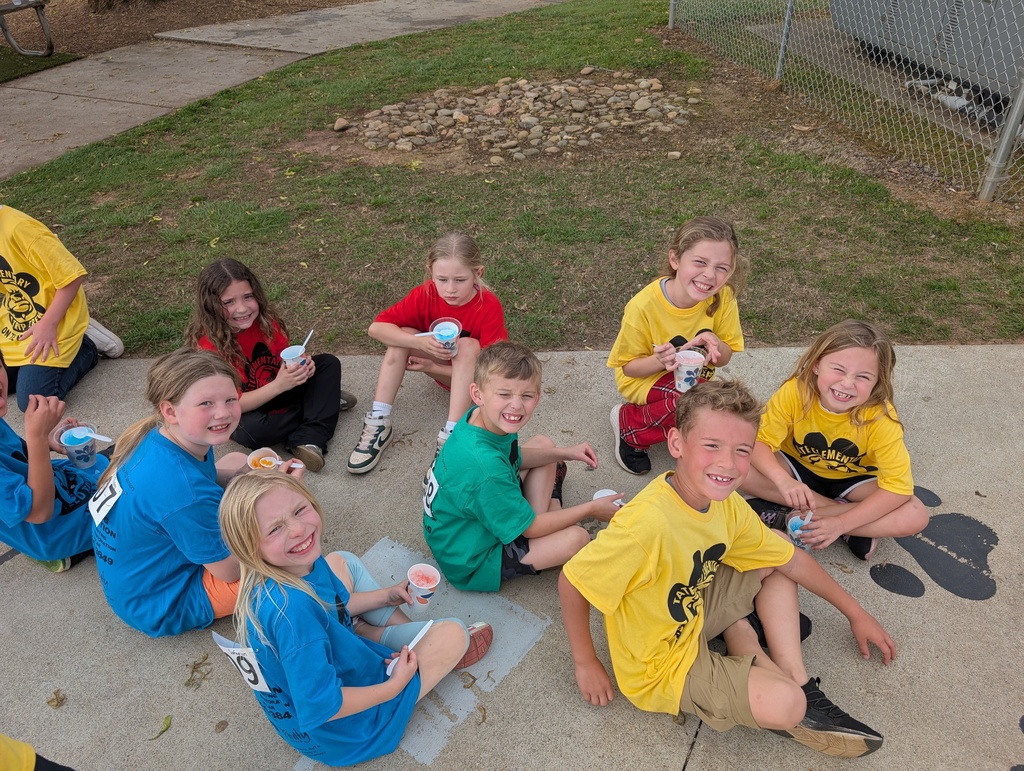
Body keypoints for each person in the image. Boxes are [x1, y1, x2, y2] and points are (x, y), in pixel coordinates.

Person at [560, 379, 897, 759]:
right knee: (788, 706)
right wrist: (585, 661)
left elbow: (789, 559)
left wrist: (856, 613)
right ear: (676, 444)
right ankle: (749, 644)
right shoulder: (645, 527)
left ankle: (795, 676)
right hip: (661, 664)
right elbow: (573, 580)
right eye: (712, 446)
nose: (727, 463)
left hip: (694, 607)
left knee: (777, 545)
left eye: (741, 450)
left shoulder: (723, 501)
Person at [218, 471, 493, 767]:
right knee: (454, 634)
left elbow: (332, 608)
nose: (298, 529)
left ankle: (376, 635)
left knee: (342, 560)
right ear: (250, 547)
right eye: (275, 529)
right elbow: (323, 706)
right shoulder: (294, 614)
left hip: (307, 708)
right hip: (349, 732)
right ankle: (399, 644)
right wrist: (394, 686)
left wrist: (386, 596)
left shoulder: (291, 568)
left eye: (299, 510)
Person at [90, 348, 302, 638]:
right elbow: (230, 571)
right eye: (206, 403)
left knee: (237, 461)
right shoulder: (184, 492)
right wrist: (280, 500)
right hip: (166, 602)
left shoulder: (165, 436)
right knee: (292, 557)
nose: (223, 413)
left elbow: (206, 477)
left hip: (135, 581)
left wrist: (245, 477)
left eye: (230, 399)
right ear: (170, 411)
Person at [423, 341, 621, 592]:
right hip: (471, 561)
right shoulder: (485, 469)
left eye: (526, 396)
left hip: (460, 528)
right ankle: (549, 512)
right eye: (504, 394)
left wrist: (565, 453)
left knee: (545, 447)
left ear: (537, 397)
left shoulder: (479, 417)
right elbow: (529, 527)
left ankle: (544, 515)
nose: (516, 405)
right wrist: (592, 509)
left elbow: (511, 456)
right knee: (577, 538)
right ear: (477, 394)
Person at [741, 319, 929, 561]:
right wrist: (783, 481)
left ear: (878, 382)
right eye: (839, 369)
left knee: (915, 514)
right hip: (795, 467)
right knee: (738, 464)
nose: (847, 383)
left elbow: (898, 489)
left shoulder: (881, 418)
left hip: (855, 480)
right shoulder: (795, 391)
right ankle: (851, 525)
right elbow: (759, 441)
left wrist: (841, 523)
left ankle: (800, 517)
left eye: (863, 376)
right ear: (816, 364)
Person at [348, 233, 508, 475]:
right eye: (442, 279)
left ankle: (453, 435)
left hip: (474, 383)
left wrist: (432, 368)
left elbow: (495, 372)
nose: (450, 289)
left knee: (468, 345)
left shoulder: (488, 305)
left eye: (460, 280)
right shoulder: (426, 294)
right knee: (401, 334)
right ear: (430, 272)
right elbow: (376, 328)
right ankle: (379, 420)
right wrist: (417, 342)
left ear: (478, 273)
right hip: (442, 367)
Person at [607, 216, 747, 475]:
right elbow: (628, 369)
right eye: (700, 262)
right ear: (675, 259)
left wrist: (716, 345)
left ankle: (683, 425)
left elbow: (725, 357)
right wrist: (659, 360)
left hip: (692, 380)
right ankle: (631, 426)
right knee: (690, 403)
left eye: (721, 267)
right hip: (645, 377)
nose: (709, 275)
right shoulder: (643, 306)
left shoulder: (723, 297)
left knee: (725, 406)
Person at [185, 258, 353, 473]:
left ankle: (312, 432)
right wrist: (279, 385)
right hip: (243, 407)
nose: (242, 308)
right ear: (211, 306)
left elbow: (282, 359)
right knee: (253, 432)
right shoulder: (208, 347)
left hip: (277, 389)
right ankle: (320, 409)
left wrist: (302, 366)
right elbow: (231, 404)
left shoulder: (264, 321)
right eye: (228, 302)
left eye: (248, 297)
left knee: (328, 363)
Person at [0, 204, 123, 412]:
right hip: (16, 325)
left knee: (33, 403)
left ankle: (87, 345)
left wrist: (49, 323)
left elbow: (72, 277)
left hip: (54, 322)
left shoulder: (21, 229)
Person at [0, 349, 104, 573]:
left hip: (48, 492)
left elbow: (16, 453)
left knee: (105, 465)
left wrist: (47, 439)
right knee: (131, 510)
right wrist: (36, 436)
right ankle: (57, 550)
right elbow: (39, 513)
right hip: (49, 528)